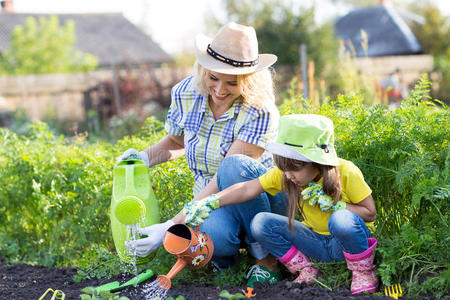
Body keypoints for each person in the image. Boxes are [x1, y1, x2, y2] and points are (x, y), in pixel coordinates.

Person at [117, 22, 286, 286]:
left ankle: (265, 257)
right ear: (203, 69)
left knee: (233, 167)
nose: (219, 90)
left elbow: (228, 176)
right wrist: (142, 158)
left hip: (257, 194)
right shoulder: (186, 93)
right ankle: (225, 259)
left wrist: (171, 226)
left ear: (249, 81)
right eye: (213, 78)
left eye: (232, 83)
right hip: (208, 197)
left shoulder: (260, 110)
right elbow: (176, 141)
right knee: (216, 237)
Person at [183, 114, 378, 294]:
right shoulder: (287, 175)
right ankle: (307, 271)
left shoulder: (346, 172)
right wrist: (210, 201)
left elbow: (370, 213)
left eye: (295, 168)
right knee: (261, 222)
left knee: (341, 219)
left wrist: (338, 205)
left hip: (346, 244)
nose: (288, 175)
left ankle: (363, 272)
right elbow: (247, 188)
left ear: (316, 161)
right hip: (315, 242)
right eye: (284, 168)